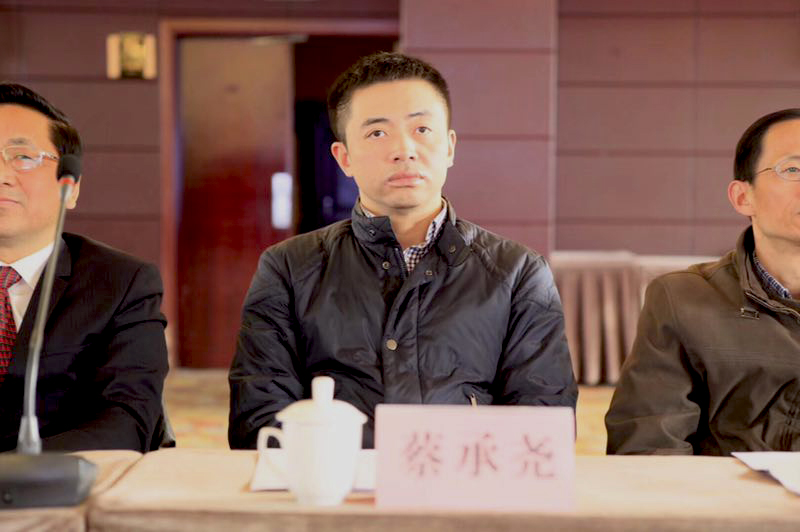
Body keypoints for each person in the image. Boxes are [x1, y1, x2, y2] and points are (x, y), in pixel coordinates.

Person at [229, 52, 577, 449]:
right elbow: (261, 419)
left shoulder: (517, 273)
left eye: (422, 129)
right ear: (344, 158)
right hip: (334, 484)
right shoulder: (288, 268)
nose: (404, 149)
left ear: (449, 147)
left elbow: (543, 425)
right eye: (378, 133)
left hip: (464, 483)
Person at [606, 108, 800, 455]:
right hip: (729, 490)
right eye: (793, 170)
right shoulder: (683, 299)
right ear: (743, 197)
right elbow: (649, 448)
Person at [0, 82, 169, 452]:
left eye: (23, 157)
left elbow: (127, 421)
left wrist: (14, 472)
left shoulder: (121, 284)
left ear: (71, 188)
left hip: (57, 483)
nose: (2, 175)